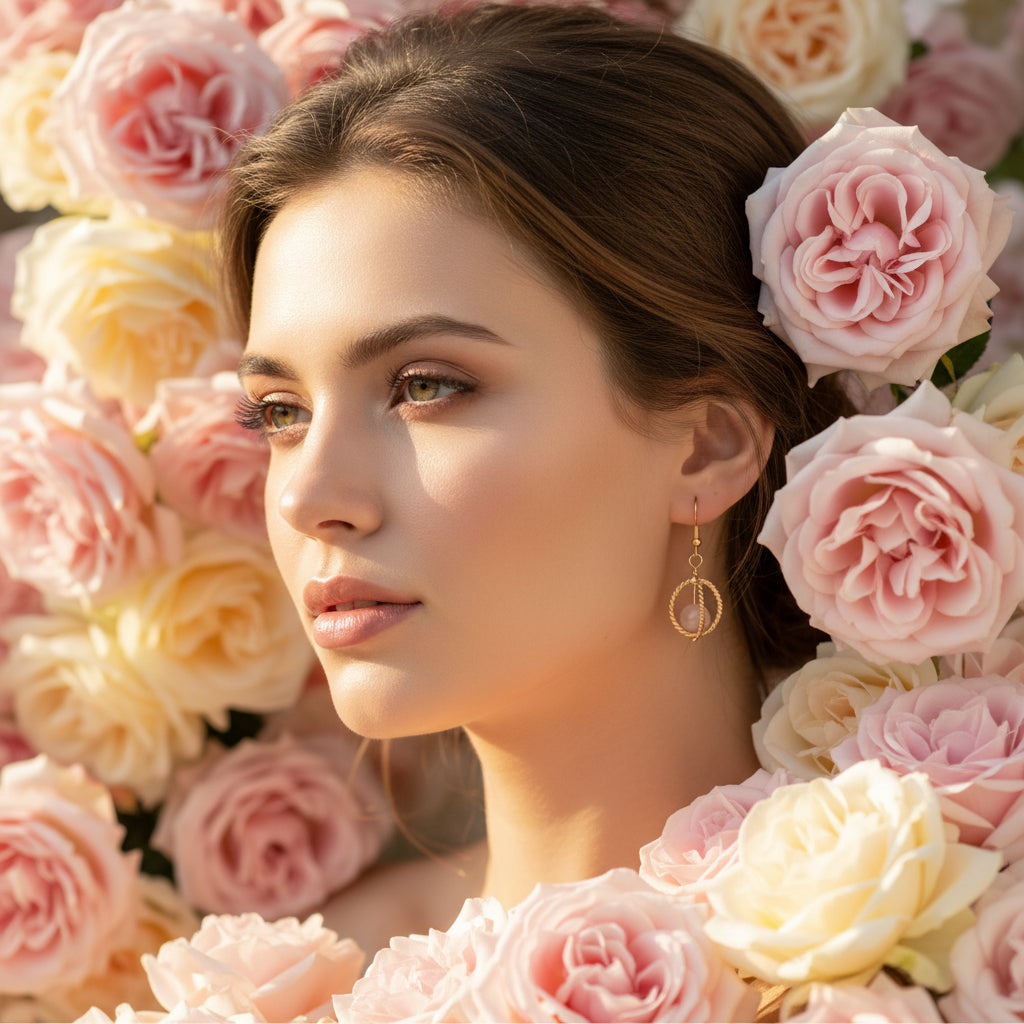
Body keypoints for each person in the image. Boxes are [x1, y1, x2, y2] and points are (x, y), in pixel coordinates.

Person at [219, 2, 853, 958]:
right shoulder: (290, 986)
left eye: (425, 386)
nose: (309, 498)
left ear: (709, 446)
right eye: (280, 412)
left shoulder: (944, 956)